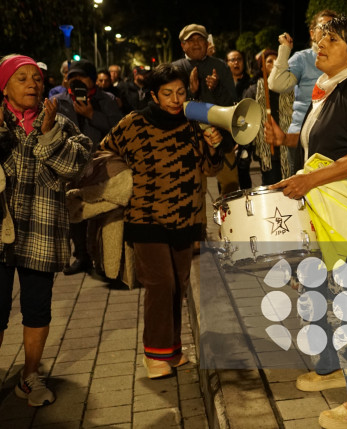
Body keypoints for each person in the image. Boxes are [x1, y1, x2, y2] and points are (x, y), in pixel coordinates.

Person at [264, 16, 347, 429]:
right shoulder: (328, 89)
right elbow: (325, 145)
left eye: (330, 40)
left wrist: (307, 180)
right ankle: (334, 369)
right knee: (320, 293)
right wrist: (284, 142)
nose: (319, 45)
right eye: (319, 38)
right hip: (326, 212)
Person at [99, 63, 223, 379]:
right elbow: (104, 154)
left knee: (178, 285)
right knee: (161, 283)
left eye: (180, 92)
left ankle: (173, 351)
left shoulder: (194, 124)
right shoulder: (133, 123)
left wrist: (214, 145)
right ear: (154, 95)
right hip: (146, 217)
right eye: (167, 93)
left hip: (187, 216)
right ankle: (154, 353)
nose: (174, 99)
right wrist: (122, 183)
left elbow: (211, 169)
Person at [0, 55, 92, 406]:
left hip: (42, 232)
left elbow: (74, 167)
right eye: (22, 78)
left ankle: (30, 376)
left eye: (37, 78)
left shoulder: (61, 123)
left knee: (37, 308)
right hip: (1, 230)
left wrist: (50, 132)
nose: (32, 84)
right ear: (5, 86)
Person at [53, 59, 123, 275]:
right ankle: (81, 256)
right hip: (71, 164)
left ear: (92, 81)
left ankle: (102, 258)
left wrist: (92, 115)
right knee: (76, 211)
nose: (75, 81)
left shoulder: (107, 100)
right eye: (71, 77)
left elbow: (118, 130)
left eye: (80, 77)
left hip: (102, 164)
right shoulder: (58, 101)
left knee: (100, 212)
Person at [268, 9, 337, 174]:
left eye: (333, 27)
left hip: (333, 137)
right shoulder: (302, 58)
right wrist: (284, 50)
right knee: (301, 189)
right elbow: (276, 84)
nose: (328, 31)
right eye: (323, 27)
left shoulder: (343, 58)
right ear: (312, 33)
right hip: (300, 137)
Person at [172, 23, 238, 195]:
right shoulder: (174, 69)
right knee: (189, 192)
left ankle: (230, 222)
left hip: (221, 139)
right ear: (182, 45)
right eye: (190, 40)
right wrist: (190, 92)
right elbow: (170, 105)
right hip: (188, 141)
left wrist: (216, 88)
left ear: (207, 43)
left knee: (230, 189)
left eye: (200, 39)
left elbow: (232, 102)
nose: (195, 43)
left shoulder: (220, 66)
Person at [243, 49, 283, 186]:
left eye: (277, 60)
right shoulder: (254, 90)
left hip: (288, 146)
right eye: (269, 61)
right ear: (262, 67)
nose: (274, 63)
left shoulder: (289, 87)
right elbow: (246, 117)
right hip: (267, 150)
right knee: (272, 187)